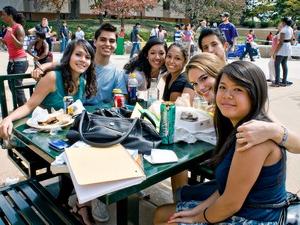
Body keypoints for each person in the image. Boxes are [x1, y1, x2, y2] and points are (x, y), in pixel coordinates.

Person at [154, 61, 287, 225]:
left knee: (165, 216)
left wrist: (197, 217)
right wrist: (196, 210)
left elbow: (231, 203)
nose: (227, 95)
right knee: (165, 212)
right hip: (244, 208)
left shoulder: (254, 137)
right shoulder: (236, 125)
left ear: (254, 93)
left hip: (255, 218)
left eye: (238, 89)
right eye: (223, 87)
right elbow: (225, 189)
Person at [196, 28, 300, 153]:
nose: (210, 50)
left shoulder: (244, 76)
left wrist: (273, 131)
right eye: (205, 47)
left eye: (214, 44)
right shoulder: (202, 82)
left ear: (225, 46)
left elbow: (293, 141)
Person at [0, 39, 96, 139]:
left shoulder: (83, 83)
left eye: (87, 57)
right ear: (69, 56)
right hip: (38, 133)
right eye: (78, 54)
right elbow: (29, 106)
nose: (83, 59)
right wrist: (8, 118)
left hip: (61, 133)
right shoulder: (52, 78)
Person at [32, 23, 127, 105]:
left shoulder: (117, 73)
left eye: (112, 41)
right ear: (94, 42)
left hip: (98, 117)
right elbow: (62, 64)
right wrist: (43, 67)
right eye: (102, 39)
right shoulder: (82, 63)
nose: (107, 44)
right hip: (71, 112)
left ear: (116, 44)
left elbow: (121, 99)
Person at [0, 6, 28, 107]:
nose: (2, 17)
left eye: (3, 14)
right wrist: (2, 40)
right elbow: (9, 44)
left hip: (20, 62)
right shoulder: (9, 29)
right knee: (12, 86)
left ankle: (24, 110)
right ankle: (21, 107)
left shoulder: (18, 27)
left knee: (17, 87)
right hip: (12, 62)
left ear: (10, 15)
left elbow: (20, 45)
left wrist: (11, 35)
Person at [272, 17, 294, 87]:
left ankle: (277, 82)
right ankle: (284, 81)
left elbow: (281, 42)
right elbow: (291, 39)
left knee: (277, 64)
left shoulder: (283, 30)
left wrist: (275, 52)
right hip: (288, 47)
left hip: (283, 48)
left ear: (284, 22)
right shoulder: (290, 28)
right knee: (284, 64)